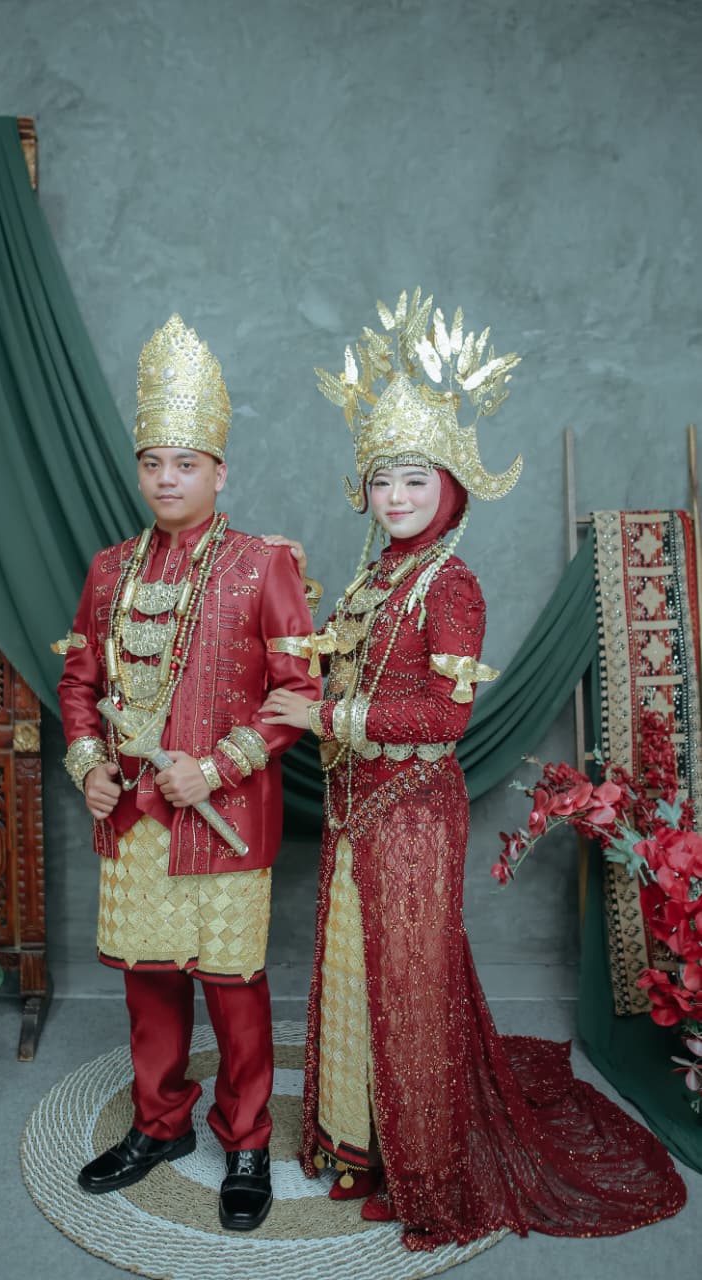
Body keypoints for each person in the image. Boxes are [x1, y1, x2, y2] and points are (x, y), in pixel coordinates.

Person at [261, 288, 686, 1250]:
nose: (395, 497)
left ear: (451, 485)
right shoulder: (373, 577)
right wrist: (288, 588)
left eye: (414, 480)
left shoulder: (449, 584)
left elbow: (444, 719)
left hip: (413, 807)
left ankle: (423, 1173)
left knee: (409, 986)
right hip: (356, 804)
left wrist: (325, 713)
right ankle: (359, 1143)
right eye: (381, 480)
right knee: (358, 969)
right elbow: (341, 663)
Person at [56, 314, 321, 1232]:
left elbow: (297, 691)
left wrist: (216, 768)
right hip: (133, 818)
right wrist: (88, 766)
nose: (166, 479)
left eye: (185, 463)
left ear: (219, 471)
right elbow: (79, 681)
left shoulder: (262, 565)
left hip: (225, 819)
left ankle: (245, 1141)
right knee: (150, 982)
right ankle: (159, 1126)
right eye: (152, 463)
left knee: (233, 988)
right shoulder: (108, 570)